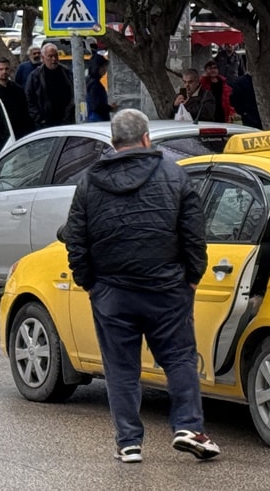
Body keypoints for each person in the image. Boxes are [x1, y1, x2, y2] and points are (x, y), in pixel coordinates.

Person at [61, 109, 220, 463]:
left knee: (120, 368)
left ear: (114, 142)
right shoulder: (174, 175)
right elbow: (194, 234)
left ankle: (129, 443)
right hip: (167, 288)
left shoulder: (89, 181)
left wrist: (89, 283)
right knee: (178, 358)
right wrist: (193, 277)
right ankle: (188, 427)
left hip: (112, 293)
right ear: (147, 138)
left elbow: (76, 238)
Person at [25, 43, 76, 128]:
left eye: (56, 56)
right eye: (50, 56)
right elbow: (29, 98)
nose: (54, 59)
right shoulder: (36, 76)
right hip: (45, 123)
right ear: (43, 58)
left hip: (66, 121)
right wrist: (39, 118)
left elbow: (74, 93)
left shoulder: (66, 72)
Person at [0, 58, 34, 139]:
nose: (4, 72)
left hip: (20, 132)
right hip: (1, 133)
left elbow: (25, 112)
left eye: (6, 69)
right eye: (1, 69)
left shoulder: (18, 89)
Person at [86, 55, 116, 122]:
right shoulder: (94, 84)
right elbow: (96, 105)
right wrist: (110, 108)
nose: (105, 69)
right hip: (96, 120)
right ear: (97, 67)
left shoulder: (90, 81)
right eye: (103, 66)